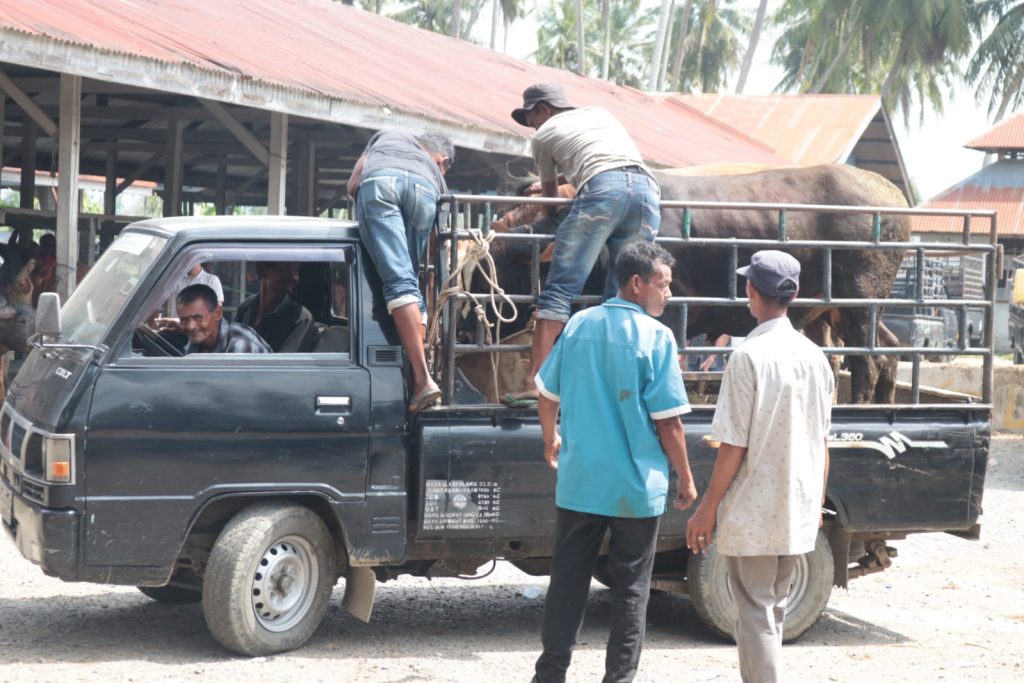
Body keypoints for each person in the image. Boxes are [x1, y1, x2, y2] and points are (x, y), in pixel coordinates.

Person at [532, 241, 698, 683]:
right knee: (631, 591)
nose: (668, 294)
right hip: (635, 489)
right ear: (637, 283)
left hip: (581, 483)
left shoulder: (579, 324)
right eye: (663, 285)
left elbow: (546, 394)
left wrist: (551, 439)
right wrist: (685, 477)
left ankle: (549, 675)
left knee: (567, 583)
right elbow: (669, 424)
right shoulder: (656, 337)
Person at [685, 250, 833, 683]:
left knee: (756, 614)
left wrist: (707, 508)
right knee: (772, 611)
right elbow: (822, 442)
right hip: (798, 506)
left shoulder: (748, 356)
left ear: (751, 291)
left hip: (755, 509)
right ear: (794, 294)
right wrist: (816, 505)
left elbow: (733, 444)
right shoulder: (815, 357)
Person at [505, 82, 661, 406]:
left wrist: (553, 226)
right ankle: (616, 384)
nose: (533, 127)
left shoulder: (544, 136)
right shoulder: (600, 114)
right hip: (648, 193)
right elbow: (608, 161)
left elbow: (550, 199)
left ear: (543, 110)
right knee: (623, 296)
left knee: (559, 291)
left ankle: (535, 381)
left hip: (603, 191)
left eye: (532, 119)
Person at [347, 130, 454, 412]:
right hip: (423, 192)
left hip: (380, 184)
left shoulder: (386, 137)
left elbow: (354, 183)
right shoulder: (435, 172)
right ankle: (416, 372)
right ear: (441, 160)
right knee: (410, 281)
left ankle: (422, 378)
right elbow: (439, 236)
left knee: (399, 283)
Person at [234, 261, 316, 352]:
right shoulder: (245, 309)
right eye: (285, 269)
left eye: (296, 270)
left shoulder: (300, 319)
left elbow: (285, 360)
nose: (294, 277)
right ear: (261, 270)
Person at [177, 284, 271, 354]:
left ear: (217, 313)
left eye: (198, 318)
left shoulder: (240, 344)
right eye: (184, 320)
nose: (190, 326)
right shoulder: (198, 343)